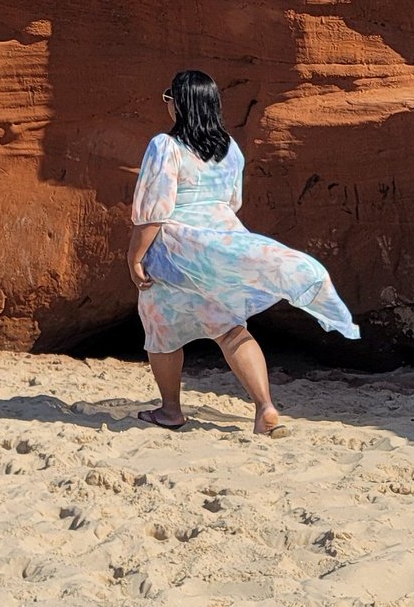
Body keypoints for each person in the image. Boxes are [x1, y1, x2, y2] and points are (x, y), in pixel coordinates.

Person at [128, 70, 360, 436]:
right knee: (231, 330)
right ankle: (265, 407)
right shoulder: (230, 149)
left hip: (174, 250)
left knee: (161, 332)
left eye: (169, 96)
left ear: (181, 104)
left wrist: (135, 257)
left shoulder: (165, 146)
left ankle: (171, 411)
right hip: (219, 244)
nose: (167, 104)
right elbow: (232, 202)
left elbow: (153, 210)